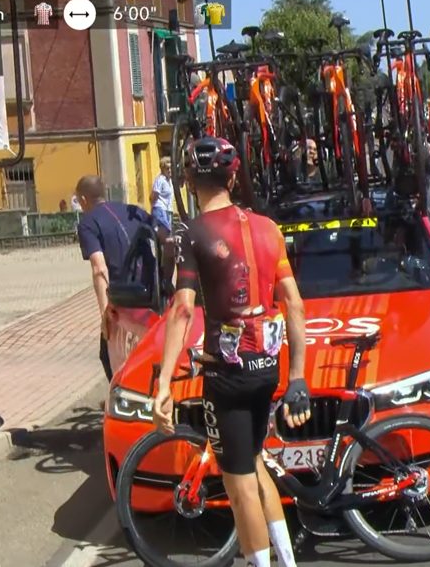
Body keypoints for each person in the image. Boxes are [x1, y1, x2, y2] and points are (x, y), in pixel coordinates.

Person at [152, 136, 309, 567]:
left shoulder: (192, 234)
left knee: (239, 490)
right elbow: (293, 302)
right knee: (255, 466)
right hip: (268, 369)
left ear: (187, 181)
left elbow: (183, 309)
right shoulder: (268, 228)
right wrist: (298, 377)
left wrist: (163, 384)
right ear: (233, 177)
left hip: (229, 376)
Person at [75, 175, 161, 380]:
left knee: (108, 356)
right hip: (153, 293)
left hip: (125, 299)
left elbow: (99, 268)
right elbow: (164, 237)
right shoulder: (134, 211)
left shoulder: (87, 224)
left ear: (84, 199)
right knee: (154, 349)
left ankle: (126, 400)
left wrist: (105, 314)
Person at [151, 157, 174, 231]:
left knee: (168, 231)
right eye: (167, 168)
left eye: (171, 168)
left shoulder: (169, 180)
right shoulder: (160, 180)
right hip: (160, 209)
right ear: (162, 169)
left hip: (168, 210)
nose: (169, 170)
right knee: (164, 232)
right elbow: (153, 195)